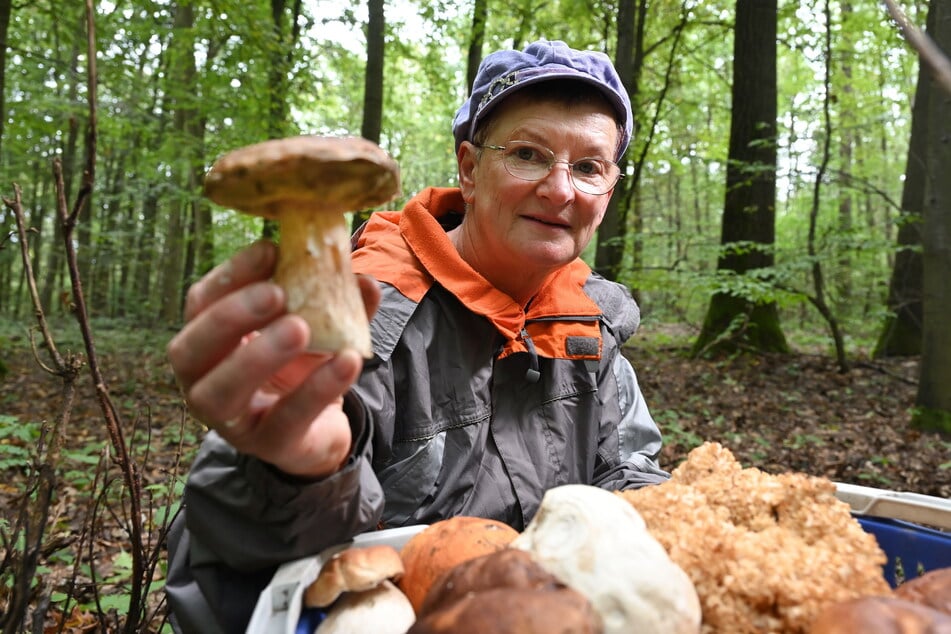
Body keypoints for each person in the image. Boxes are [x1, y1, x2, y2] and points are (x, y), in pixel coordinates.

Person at [165, 39, 670, 633]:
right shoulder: (360, 317)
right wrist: (292, 479)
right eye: (529, 154)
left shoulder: (590, 324)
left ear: (608, 190)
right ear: (469, 168)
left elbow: (629, 473)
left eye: (589, 167)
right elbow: (217, 584)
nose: (561, 190)